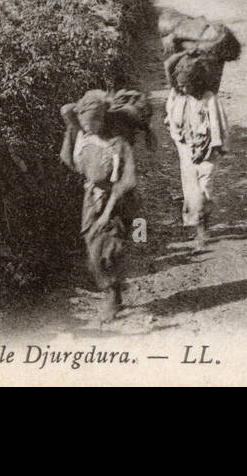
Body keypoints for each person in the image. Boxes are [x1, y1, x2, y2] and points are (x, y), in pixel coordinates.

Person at [59, 90, 150, 323]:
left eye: (92, 124)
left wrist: (107, 213)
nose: (87, 129)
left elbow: (127, 182)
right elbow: (66, 111)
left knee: (107, 250)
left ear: (102, 120)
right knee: (92, 248)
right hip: (92, 198)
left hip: (117, 201)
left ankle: (111, 297)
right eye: (84, 124)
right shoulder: (82, 133)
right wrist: (90, 107)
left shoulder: (118, 142)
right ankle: (115, 291)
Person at [163, 51, 229, 250]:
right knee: (192, 191)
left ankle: (204, 224)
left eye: (187, 85)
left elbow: (217, 126)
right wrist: (182, 143)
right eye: (181, 85)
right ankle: (200, 229)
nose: (183, 88)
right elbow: (172, 122)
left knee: (205, 190)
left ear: (196, 82)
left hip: (207, 152)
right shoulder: (179, 98)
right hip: (187, 151)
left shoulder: (208, 99)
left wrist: (208, 149)